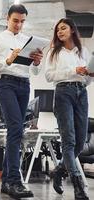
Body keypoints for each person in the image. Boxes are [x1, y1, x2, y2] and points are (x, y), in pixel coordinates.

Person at [0, 4, 43, 199]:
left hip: (24, 85)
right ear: (7, 19)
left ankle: (6, 182)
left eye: (22, 21)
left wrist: (36, 62)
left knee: (16, 131)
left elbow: (34, 72)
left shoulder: (28, 40)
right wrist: (8, 60)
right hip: (7, 84)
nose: (19, 24)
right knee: (16, 128)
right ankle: (14, 181)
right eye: (16, 20)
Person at [45, 18, 93, 200]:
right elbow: (49, 76)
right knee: (69, 141)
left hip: (82, 92)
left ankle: (59, 169)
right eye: (58, 30)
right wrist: (74, 71)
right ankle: (78, 185)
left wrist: (89, 74)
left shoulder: (83, 51)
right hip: (63, 93)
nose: (60, 32)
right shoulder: (54, 52)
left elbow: (87, 78)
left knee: (80, 142)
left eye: (63, 28)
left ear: (72, 30)